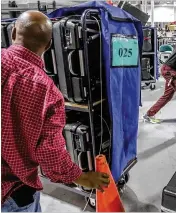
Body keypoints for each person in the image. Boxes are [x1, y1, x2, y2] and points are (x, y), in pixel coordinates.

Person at [1, 11, 109, 212]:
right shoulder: (46, 91)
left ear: (14, 32)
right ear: (50, 45)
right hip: (13, 192)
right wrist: (82, 177)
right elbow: (50, 154)